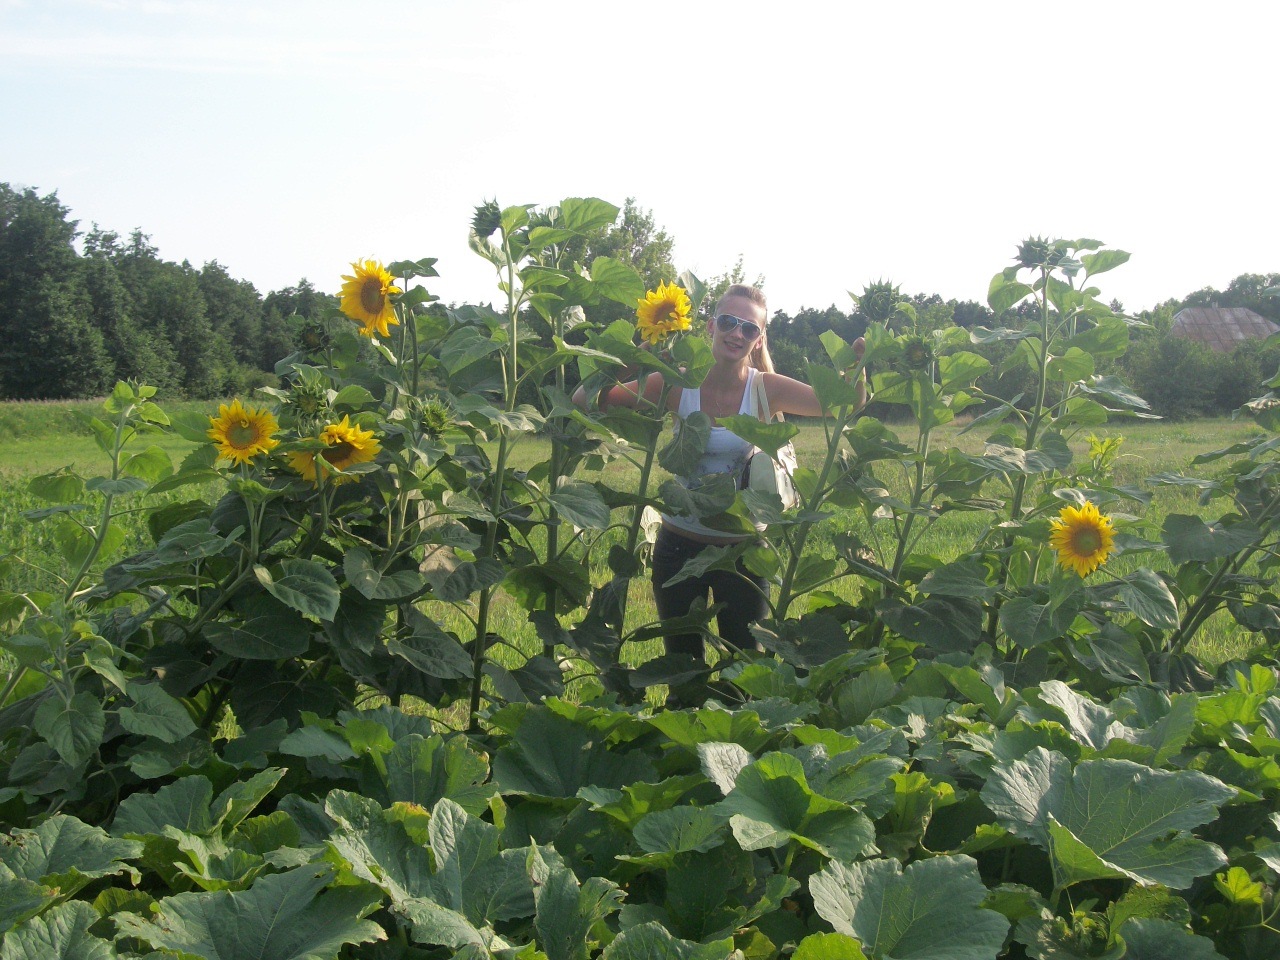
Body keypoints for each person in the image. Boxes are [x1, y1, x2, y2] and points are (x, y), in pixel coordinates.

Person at [574, 283, 866, 666]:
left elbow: (843, 404)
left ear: (759, 339)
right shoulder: (677, 383)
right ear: (711, 326)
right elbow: (586, 401)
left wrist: (859, 363)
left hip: (744, 553)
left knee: (744, 670)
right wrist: (638, 356)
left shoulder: (765, 389)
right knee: (683, 667)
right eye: (728, 322)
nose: (737, 333)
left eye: (749, 328)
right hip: (679, 548)